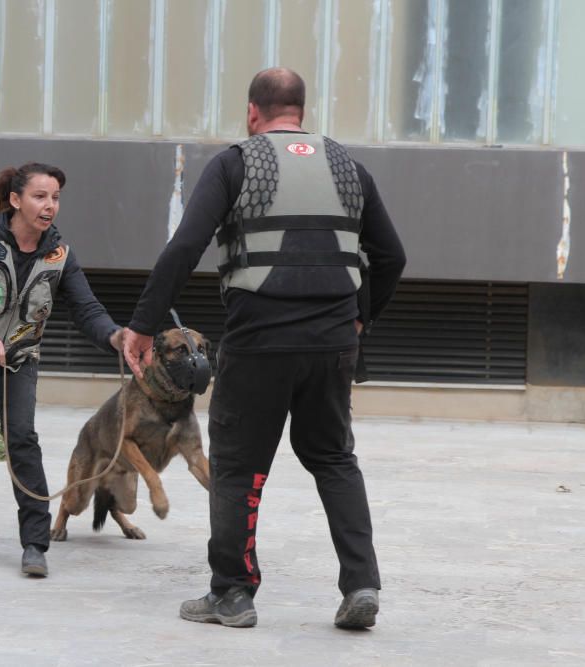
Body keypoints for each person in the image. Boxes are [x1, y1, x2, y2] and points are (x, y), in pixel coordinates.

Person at [123, 68, 406, 628]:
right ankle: (361, 584)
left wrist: (143, 324)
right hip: (332, 345)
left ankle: (233, 592)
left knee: (237, 468)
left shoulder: (236, 162)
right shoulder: (349, 167)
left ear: (253, 113)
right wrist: (358, 320)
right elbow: (391, 256)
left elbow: (185, 246)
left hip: (259, 344)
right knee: (333, 457)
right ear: (301, 110)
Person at [0, 162, 122, 578]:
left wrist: (115, 337)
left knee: (23, 441)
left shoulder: (59, 256)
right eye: (40, 196)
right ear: (16, 200)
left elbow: (87, 310)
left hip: (17, 361)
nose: (50, 205)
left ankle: (35, 545)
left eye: (56, 197)